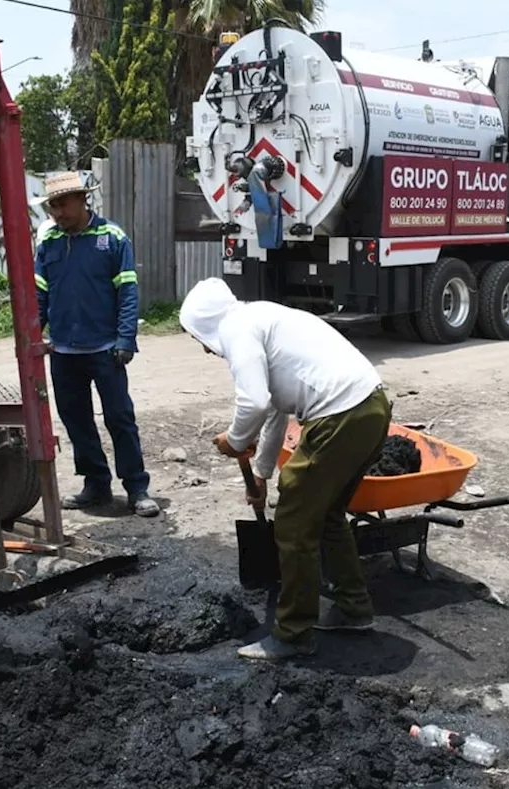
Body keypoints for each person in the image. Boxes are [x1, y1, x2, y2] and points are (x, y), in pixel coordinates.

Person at [179, 278, 391, 661]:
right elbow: (277, 407)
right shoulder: (264, 316)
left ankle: (293, 634)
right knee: (326, 515)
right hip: (371, 408)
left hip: (340, 415)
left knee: (293, 520)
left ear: (205, 327)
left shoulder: (236, 329)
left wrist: (234, 439)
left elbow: (255, 401)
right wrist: (260, 474)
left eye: (198, 340)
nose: (206, 350)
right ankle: (354, 608)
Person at [33, 172, 159, 517]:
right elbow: (39, 296)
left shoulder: (112, 238)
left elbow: (128, 292)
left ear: (82, 200)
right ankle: (96, 485)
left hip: (105, 349)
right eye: (52, 206)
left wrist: (126, 338)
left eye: (62, 203)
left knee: (120, 418)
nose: (57, 212)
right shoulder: (49, 244)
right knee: (76, 420)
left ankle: (137, 488)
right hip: (64, 352)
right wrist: (32, 335)